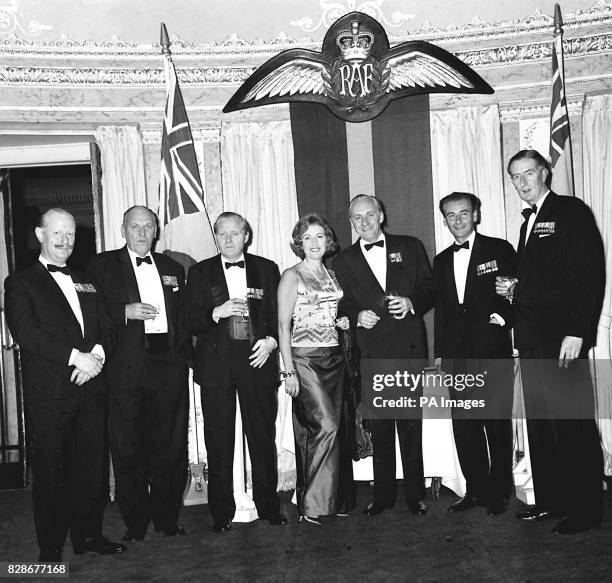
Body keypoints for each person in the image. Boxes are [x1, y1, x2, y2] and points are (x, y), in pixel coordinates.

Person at [4, 208, 125, 562]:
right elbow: (26, 333)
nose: (64, 240)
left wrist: (97, 358)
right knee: (51, 472)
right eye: (56, 233)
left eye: (70, 234)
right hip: (50, 395)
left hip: (90, 387)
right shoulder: (21, 282)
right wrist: (77, 357)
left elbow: (106, 327)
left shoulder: (88, 279)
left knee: (91, 470)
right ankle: (51, 546)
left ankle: (89, 536)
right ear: (40, 235)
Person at [497, 149, 605, 534]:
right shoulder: (529, 222)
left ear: (545, 173)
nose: (522, 182)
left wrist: (578, 331)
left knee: (571, 423)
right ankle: (553, 500)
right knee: (542, 425)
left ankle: (586, 509)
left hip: (561, 338)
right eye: (515, 176)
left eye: (528, 173)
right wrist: (515, 292)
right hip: (531, 339)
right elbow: (546, 280)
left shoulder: (570, 210)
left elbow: (588, 273)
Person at [88, 205, 192, 541]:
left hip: (168, 368)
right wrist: (124, 311)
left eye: (148, 226)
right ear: (123, 229)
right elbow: (89, 312)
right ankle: (135, 522)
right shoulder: (102, 266)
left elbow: (186, 317)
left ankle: (167, 517)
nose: (143, 233)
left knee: (170, 447)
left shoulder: (172, 267)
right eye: (136, 227)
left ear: (157, 229)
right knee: (128, 447)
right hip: (125, 370)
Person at [182, 211, 287, 532]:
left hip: (258, 361)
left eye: (234, 233)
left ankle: (269, 507)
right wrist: (216, 311)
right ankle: (221, 512)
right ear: (215, 237)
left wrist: (271, 342)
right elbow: (188, 319)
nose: (228, 239)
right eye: (222, 234)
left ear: (247, 236)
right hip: (217, 367)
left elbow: (280, 314)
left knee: (261, 438)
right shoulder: (200, 273)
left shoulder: (267, 269)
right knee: (219, 440)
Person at [333, 194, 435, 517]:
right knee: (380, 428)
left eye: (369, 215)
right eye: (356, 218)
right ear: (351, 224)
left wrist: (411, 304)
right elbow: (341, 305)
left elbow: (430, 288)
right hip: (372, 352)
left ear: (381, 214)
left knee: (410, 426)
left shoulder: (410, 246)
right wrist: (357, 313)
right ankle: (383, 495)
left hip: (407, 350)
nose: (364, 222)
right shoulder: (343, 261)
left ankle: (415, 493)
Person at [433, 192, 516, 516]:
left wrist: (504, 320)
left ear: (476, 215)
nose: (457, 220)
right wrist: (440, 354)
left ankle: (499, 492)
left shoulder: (499, 249)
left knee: (495, 424)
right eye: (451, 215)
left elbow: (517, 290)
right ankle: (475, 489)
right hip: (456, 356)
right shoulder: (440, 261)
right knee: (465, 426)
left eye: (463, 213)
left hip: (492, 351)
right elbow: (442, 311)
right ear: (444, 220)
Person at [278, 213, 355, 525]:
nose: (314, 243)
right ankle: (312, 503)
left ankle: (334, 498)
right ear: (299, 242)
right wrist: (288, 372)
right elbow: (283, 326)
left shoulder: (331, 275)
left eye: (319, 236)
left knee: (338, 428)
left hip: (334, 358)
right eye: (307, 237)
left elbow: (331, 312)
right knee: (326, 427)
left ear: (328, 240)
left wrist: (343, 321)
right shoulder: (291, 275)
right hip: (305, 359)